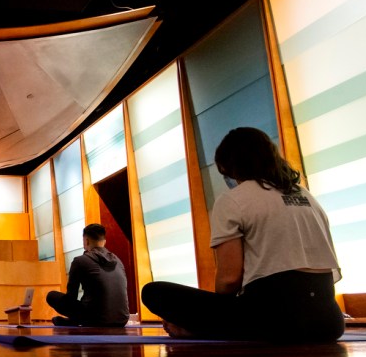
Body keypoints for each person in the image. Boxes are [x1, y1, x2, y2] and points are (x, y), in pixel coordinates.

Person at [141, 127, 343, 342]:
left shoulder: (233, 200)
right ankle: (214, 328)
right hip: (328, 322)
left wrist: (209, 315)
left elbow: (229, 280)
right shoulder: (306, 196)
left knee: (154, 292)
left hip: (274, 319)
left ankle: (204, 330)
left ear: (230, 167)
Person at [46, 224, 129, 327]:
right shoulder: (118, 261)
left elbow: (71, 297)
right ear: (104, 241)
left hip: (95, 319)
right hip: (122, 319)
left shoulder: (80, 261)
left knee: (52, 296)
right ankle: (74, 321)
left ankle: (73, 321)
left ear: (86, 241)